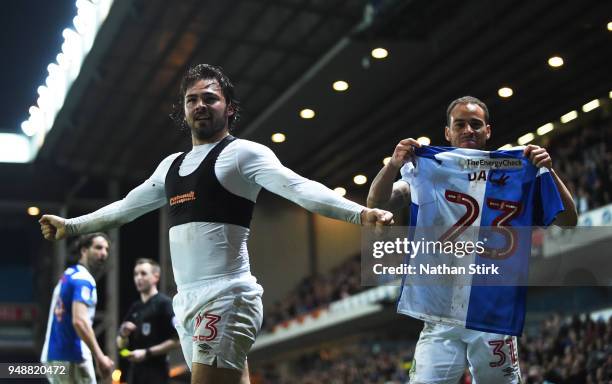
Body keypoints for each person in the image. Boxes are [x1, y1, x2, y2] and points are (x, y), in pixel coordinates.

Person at [39, 63, 393, 384]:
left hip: (227, 296)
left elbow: (298, 187)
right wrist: (72, 227)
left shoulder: (242, 155)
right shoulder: (170, 167)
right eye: (192, 99)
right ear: (184, 110)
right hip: (188, 301)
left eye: (210, 98)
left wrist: (358, 213)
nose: (200, 105)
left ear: (230, 108)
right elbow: (125, 208)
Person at [367, 96, 578, 383]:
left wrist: (547, 170)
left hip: (492, 312)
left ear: (488, 130)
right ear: (448, 132)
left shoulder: (517, 169)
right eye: (461, 124)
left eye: (476, 124)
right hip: (440, 313)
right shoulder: (429, 172)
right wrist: (392, 165)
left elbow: (569, 220)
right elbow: (376, 202)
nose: (469, 130)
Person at [41, 233, 115, 383]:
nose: (104, 253)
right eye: (98, 248)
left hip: (53, 354)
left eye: (106, 249)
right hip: (73, 356)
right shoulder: (83, 280)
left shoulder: (68, 274)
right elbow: (79, 321)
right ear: (84, 250)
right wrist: (100, 357)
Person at [117, 258, 180, 383]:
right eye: (136, 274)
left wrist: (147, 353)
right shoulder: (136, 307)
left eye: (143, 273)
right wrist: (123, 335)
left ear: (155, 277)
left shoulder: (164, 304)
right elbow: (119, 344)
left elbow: (178, 341)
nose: (138, 278)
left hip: (157, 373)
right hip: (135, 373)